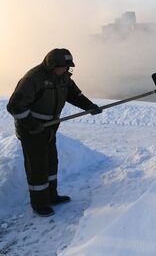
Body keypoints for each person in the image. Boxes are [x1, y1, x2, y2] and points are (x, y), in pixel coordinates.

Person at [6, 48, 102, 217]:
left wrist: (89, 106)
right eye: (63, 67)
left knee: (51, 162)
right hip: (31, 129)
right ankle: (39, 204)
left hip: (50, 127)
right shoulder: (33, 78)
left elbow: (74, 95)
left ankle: (52, 196)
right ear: (52, 65)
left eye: (68, 67)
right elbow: (14, 106)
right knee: (38, 166)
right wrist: (32, 124)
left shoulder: (63, 77)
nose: (66, 70)